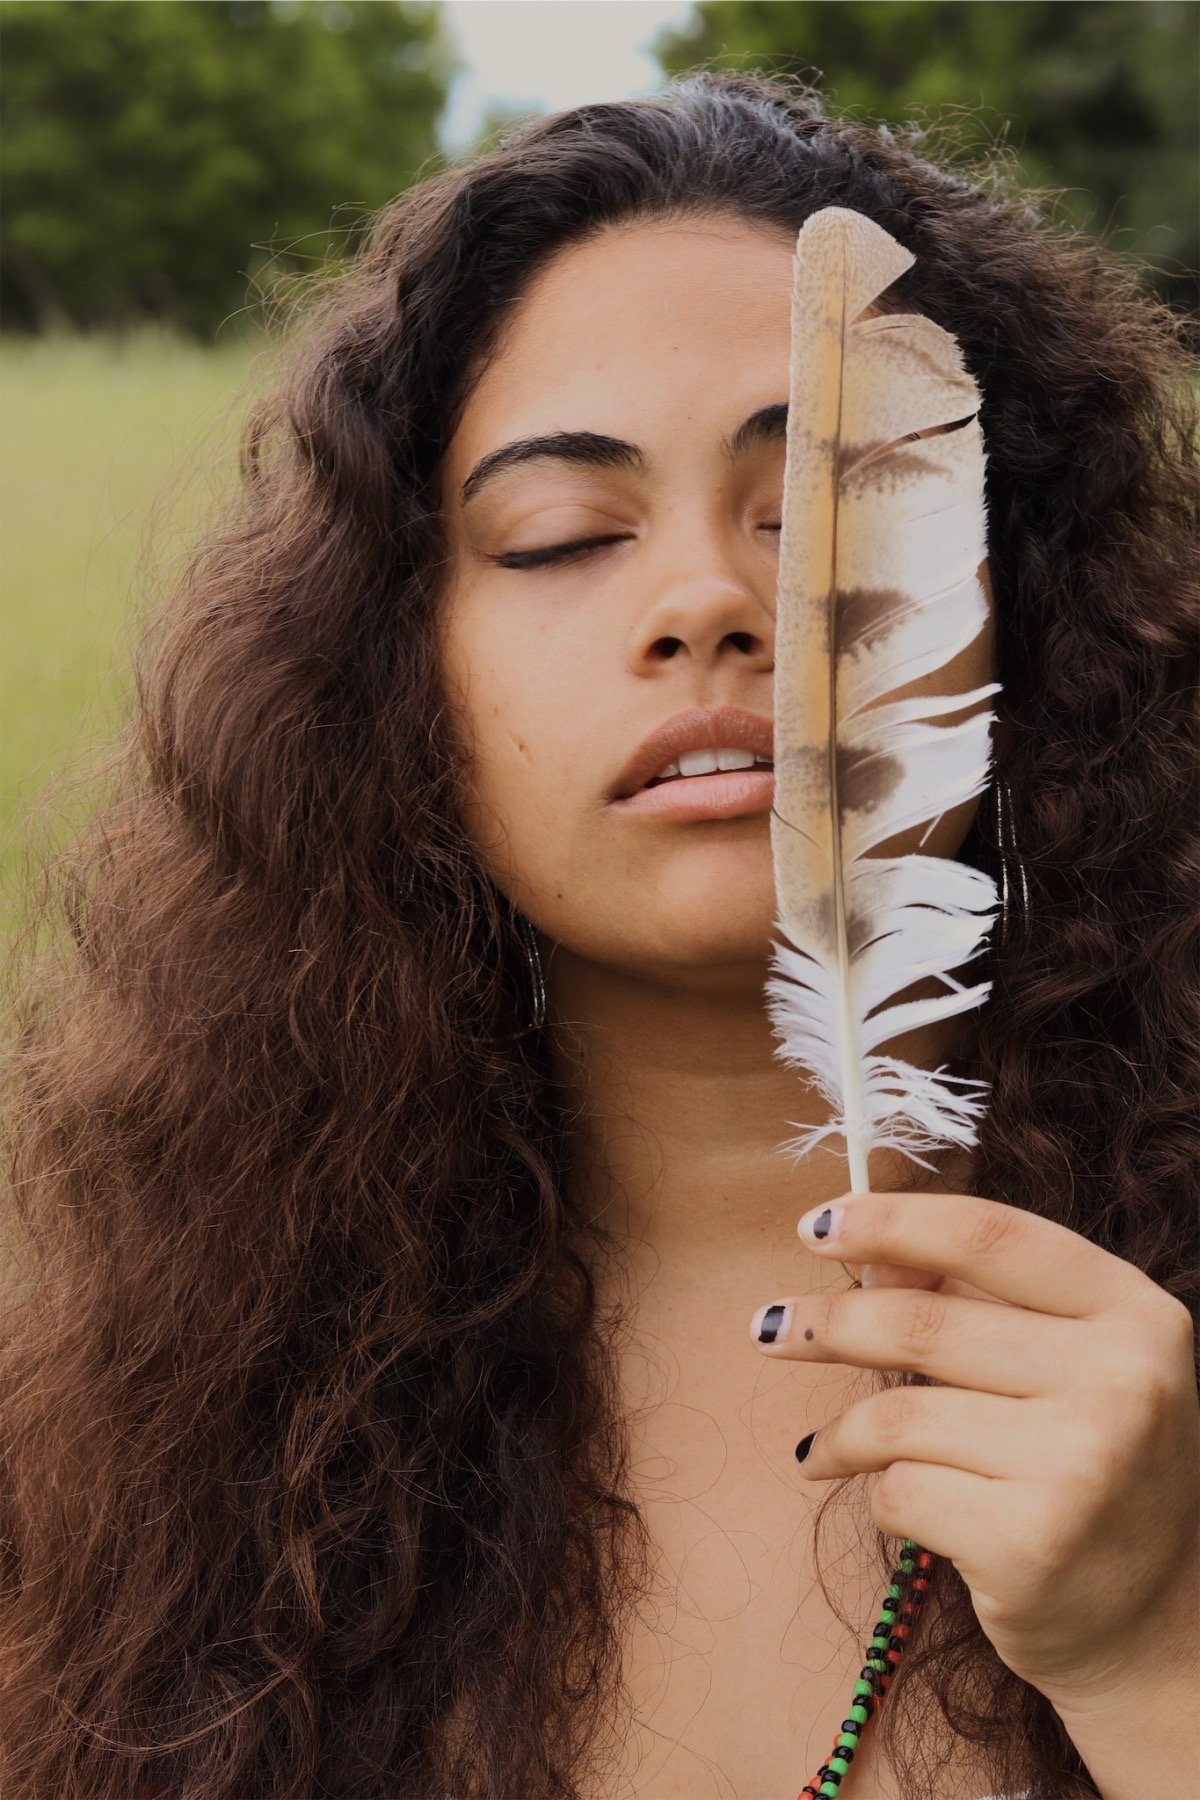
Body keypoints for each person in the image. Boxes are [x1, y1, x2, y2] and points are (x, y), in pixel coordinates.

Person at [1, 67, 1196, 1800]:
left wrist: (1157, 1655)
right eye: (562, 536)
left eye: (824, 508)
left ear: (1019, 598)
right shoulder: (161, 1415)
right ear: (397, 673)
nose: (708, 598)